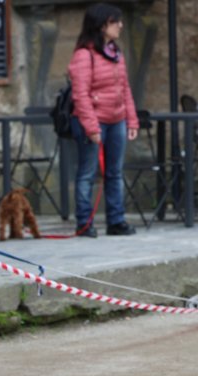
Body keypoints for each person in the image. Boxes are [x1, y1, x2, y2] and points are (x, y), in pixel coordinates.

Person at [67, 3, 139, 237]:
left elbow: (125, 88)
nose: (120, 25)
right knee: (87, 173)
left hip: (117, 120)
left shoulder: (116, 53)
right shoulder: (84, 55)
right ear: (101, 25)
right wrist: (91, 127)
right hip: (94, 122)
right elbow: (80, 95)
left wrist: (132, 120)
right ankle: (84, 223)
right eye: (114, 21)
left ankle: (116, 221)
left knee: (115, 172)